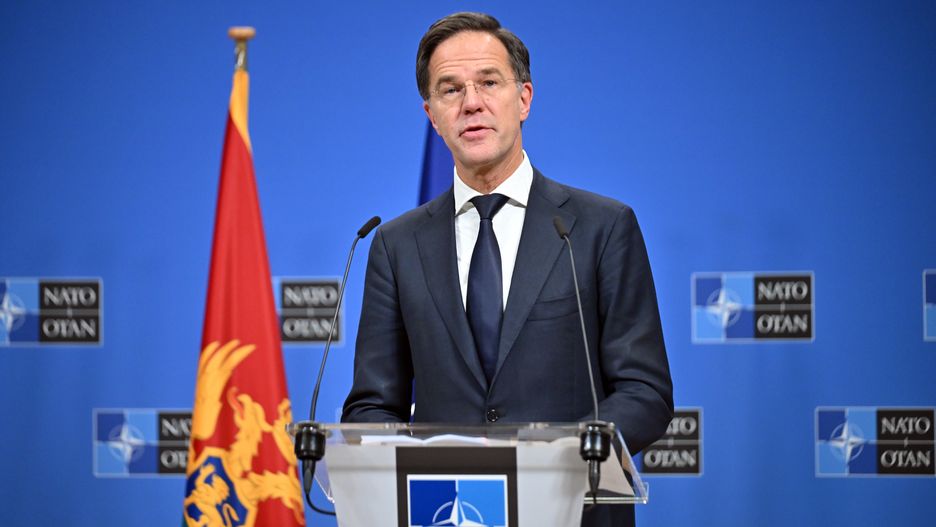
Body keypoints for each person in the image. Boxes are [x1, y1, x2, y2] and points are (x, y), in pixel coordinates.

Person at [342, 12, 673, 527]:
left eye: (488, 83)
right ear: (432, 115)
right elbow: (369, 408)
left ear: (523, 99)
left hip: (574, 511)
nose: (471, 102)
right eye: (450, 90)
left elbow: (644, 392)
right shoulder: (394, 245)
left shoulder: (600, 228)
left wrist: (552, 462)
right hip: (445, 514)